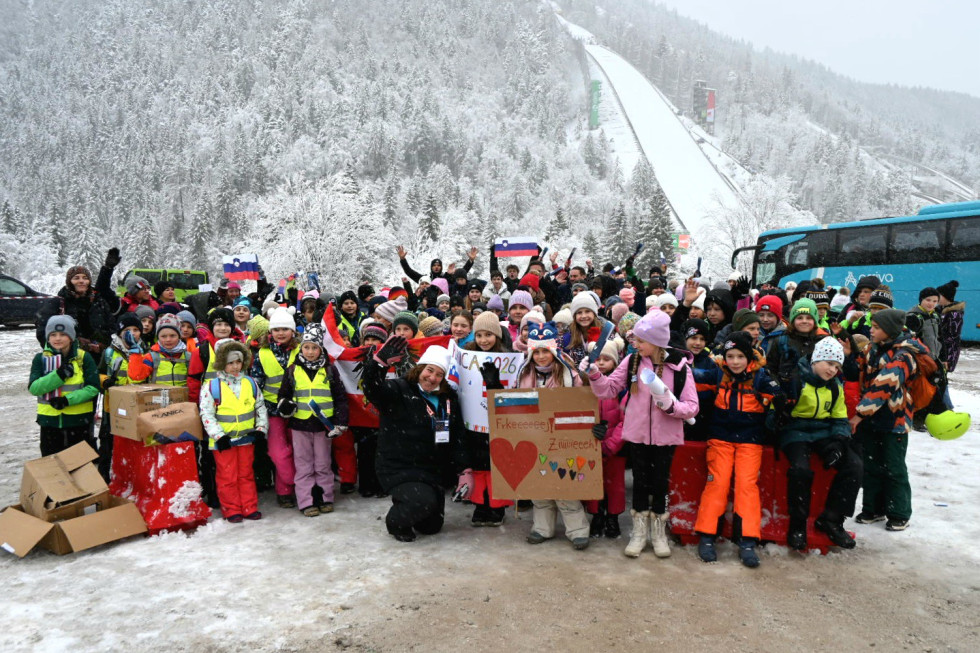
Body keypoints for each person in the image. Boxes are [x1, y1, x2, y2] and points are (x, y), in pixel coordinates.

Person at [585, 310, 699, 558]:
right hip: (636, 435)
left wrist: (672, 407)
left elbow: (692, 405)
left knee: (660, 484)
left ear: (657, 342)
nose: (635, 344)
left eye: (641, 340)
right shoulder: (632, 361)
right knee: (639, 483)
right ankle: (638, 533)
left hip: (665, 437)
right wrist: (594, 373)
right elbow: (609, 389)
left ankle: (658, 534)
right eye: (635, 339)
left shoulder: (680, 367)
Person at [362, 338, 468, 542]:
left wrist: (465, 470)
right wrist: (378, 364)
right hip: (400, 466)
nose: (432, 377)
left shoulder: (448, 398)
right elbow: (372, 388)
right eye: (429, 370)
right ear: (419, 369)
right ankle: (395, 522)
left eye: (439, 374)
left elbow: (457, 435)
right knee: (421, 503)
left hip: (430, 469)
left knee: (432, 526)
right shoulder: (399, 389)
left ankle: (413, 501)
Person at [692, 331, 783, 568]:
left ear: (748, 357)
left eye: (739, 356)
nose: (734, 361)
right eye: (730, 356)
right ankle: (707, 535)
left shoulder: (761, 377)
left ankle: (747, 540)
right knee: (717, 483)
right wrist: (678, 366)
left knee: (746, 485)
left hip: (750, 440)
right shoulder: (718, 374)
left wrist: (782, 392)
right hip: (720, 438)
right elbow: (695, 377)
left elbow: (780, 399)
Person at [778, 337, 862, 550]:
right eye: (829, 363)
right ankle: (797, 524)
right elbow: (776, 411)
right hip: (796, 431)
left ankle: (832, 519)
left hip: (824, 431)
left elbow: (839, 417)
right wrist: (780, 410)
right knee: (800, 470)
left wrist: (839, 440)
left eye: (837, 366)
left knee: (854, 466)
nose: (833, 370)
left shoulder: (835, 387)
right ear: (816, 360)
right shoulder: (796, 380)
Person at [844, 308, 923, 532]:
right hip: (873, 420)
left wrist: (859, 414)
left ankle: (899, 512)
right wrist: (850, 354)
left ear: (888, 331)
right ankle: (873, 508)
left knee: (894, 467)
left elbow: (883, 386)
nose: (871, 330)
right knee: (872, 464)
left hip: (894, 420)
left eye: (877, 328)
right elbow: (858, 372)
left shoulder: (904, 355)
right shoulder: (872, 349)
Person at [518, 322, 591, 550]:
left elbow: (583, 404)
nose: (540, 356)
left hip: (562, 437)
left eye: (545, 351)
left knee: (564, 483)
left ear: (554, 350)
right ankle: (542, 527)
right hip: (534, 436)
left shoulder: (569, 374)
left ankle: (577, 529)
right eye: (536, 351)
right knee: (539, 485)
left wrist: (590, 426)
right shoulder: (525, 374)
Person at [275, 323, 349, 517]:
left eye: (314, 347)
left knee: (323, 463)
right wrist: (285, 405)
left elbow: (340, 398)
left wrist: (341, 421)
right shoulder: (292, 370)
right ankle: (307, 501)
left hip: (324, 425)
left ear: (320, 349)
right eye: (306, 347)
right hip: (300, 425)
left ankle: (325, 498)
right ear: (301, 348)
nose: (310, 352)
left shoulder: (330, 370)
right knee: (303, 464)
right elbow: (283, 395)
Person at [199, 339, 268, 522]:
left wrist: (261, 429)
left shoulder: (250, 383)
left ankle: (249, 506)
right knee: (227, 476)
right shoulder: (212, 387)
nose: (235, 366)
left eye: (238, 362)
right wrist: (218, 435)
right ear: (222, 363)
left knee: (246, 474)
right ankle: (231, 509)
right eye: (230, 362)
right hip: (225, 442)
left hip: (246, 439)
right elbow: (207, 413)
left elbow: (260, 407)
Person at [464, 311, 514, 526]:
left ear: (497, 335)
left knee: (497, 464)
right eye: (479, 335)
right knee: (478, 463)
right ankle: (480, 503)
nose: (483, 340)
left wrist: (494, 384)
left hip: (498, 421)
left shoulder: (508, 357)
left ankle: (498, 505)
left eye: (488, 335)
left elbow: (510, 394)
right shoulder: (467, 357)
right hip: (474, 421)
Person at [251, 307, 301, 508]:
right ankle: (292, 481)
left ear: (293, 331)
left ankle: (285, 492)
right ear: (270, 332)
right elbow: (256, 384)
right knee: (278, 452)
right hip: (272, 411)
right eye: (276, 329)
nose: (280, 333)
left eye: (285, 329)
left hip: (300, 409)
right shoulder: (262, 354)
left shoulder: (302, 349)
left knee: (299, 452)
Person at [29, 315, 101, 456]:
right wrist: (59, 376)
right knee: (53, 469)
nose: (57, 338)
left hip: (79, 421)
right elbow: (34, 388)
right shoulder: (40, 359)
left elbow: (93, 387)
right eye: (53, 334)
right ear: (47, 337)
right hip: (50, 423)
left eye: (63, 334)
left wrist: (67, 400)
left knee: (81, 467)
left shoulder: (83, 358)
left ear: (71, 337)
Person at [582, 338, 627, 539]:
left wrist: (612, 443)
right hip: (591, 443)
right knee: (593, 482)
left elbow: (626, 419)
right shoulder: (584, 386)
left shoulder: (621, 388)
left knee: (615, 484)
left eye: (606, 359)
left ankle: (613, 517)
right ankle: (597, 515)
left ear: (615, 363)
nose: (600, 363)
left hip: (615, 446)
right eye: (597, 359)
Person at [42, 248, 121, 355]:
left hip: (99, 356)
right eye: (76, 278)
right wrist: (70, 346)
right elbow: (43, 330)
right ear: (69, 281)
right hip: (69, 356)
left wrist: (102, 343)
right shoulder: (59, 303)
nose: (81, 281)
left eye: (85, 278)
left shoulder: (98, 301)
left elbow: (111, 326)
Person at [127, 314, 192, 386]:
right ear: (158, 338)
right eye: (163, 336)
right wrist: (135, 354)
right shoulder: (152, 357)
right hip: (158, 396)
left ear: (179, 336)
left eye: (172, 335)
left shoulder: (188, 357)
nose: (168, 340)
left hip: (182, 396)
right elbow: (137, 376)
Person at [937, 280, 964, 374]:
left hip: (948, 354)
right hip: (940, 352)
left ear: (946, 297)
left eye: (939, 295)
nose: (936, 298)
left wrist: (937, 338)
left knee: (942, 378)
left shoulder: (954, 314)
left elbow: (952, 337)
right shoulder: (939, 310)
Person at [906, 287, 942, 357]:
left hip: (935, 358)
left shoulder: (935, 315)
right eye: (928, 300)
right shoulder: (913, 317)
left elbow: (940, 338)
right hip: (920, 359)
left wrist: (943, 358)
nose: (931, 304)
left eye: (935, 301)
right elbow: (909, 341)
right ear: (921, 299)